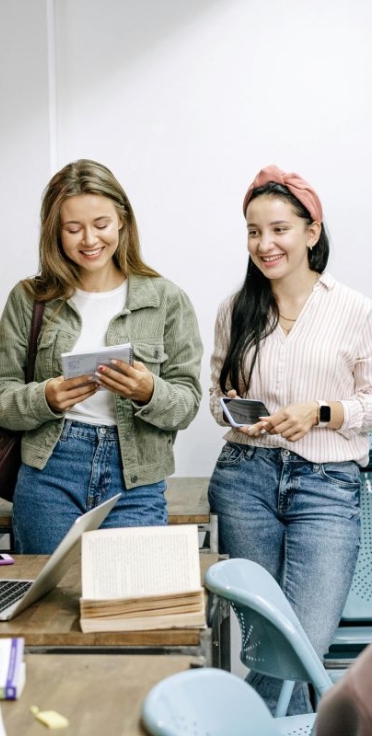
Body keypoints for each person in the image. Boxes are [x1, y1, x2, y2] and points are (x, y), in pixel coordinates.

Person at [208, 164, 372, 715]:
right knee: (268, 645)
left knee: (300, 644)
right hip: (244, 481)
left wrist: (322, 412)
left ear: (311, 231)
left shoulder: (354, 309)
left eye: (278, 228)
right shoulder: (236, 309)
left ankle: (235, 724)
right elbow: (214, 397)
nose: (264, 243)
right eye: (253, 231)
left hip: (327, 488)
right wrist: (233, 412)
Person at [0, 159, 203, 554]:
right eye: (73, 228)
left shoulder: (166, 300)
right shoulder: (29, 299)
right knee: (48, 605)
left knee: (127, 604)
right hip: (50, 472)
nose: (89, 240)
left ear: (122, 220)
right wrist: (46, 397)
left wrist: (149, 391)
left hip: (136, 477)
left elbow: (187, 404)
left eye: (100, 224)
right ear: (55, 232)